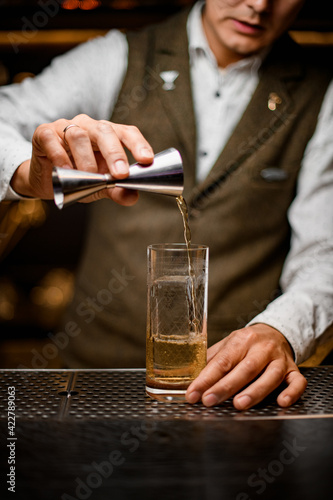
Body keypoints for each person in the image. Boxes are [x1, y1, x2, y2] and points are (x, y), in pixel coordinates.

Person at [0, 0, 332, 411]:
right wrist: (26, 174)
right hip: (93, 382)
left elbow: (324, 253)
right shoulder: (117, 57)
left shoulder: (322, 93)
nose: (259, 5)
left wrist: (281, 330)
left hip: (231, 396)